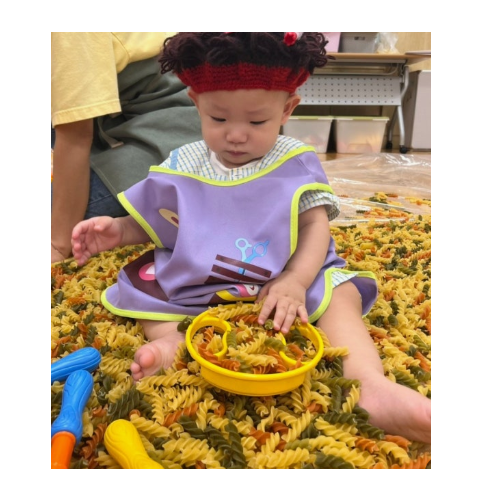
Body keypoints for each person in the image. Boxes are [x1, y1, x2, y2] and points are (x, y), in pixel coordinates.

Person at [71, 32, 431, 444]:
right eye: (218, 119)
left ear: (287, 108)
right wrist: (118, 230)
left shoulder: (294, 161)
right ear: (195, 103)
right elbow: (162, 221)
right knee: (146, 293)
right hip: (201, 274)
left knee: (340, 293)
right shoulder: (183, 163)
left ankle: (369, 385)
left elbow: (315, 227)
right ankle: (171, 341)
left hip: (283, 272)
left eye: (257, 122)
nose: (236, 135)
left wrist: (296, 279)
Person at [51, 32, 202, 263]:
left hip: (171, 122)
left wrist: (57, 245)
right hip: (114, 119)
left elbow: (76, 138)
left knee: (65, 221)